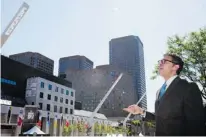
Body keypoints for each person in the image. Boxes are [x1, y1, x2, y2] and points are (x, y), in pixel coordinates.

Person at [123, 54, 206, 136]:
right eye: (160, 61)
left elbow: (197, 124)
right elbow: (160, 119)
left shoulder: (188, 87)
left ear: (175, 67)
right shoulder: (159, 92)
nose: (160, 63)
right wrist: (141, 111)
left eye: (164, 61)